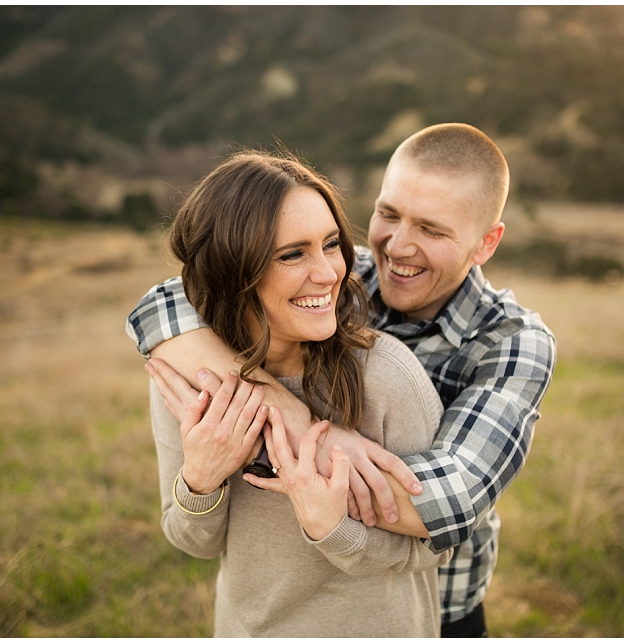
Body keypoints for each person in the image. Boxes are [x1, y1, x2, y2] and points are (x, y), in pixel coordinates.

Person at [130, 124, 557, 637]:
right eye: (388, 215)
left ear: (486, 243)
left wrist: (307, 462)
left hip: (437, 608)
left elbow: (448, 502)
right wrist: (285, 412)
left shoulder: (511, 341)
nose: (397, 247)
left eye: (432, 230)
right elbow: (169, 298)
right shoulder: (345, 272)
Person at [141, 150, 451, 637]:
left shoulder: (387, 377)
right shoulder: (188, 378)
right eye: (292, 254)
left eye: (331, 244)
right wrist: (201, 480)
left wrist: (333, 527)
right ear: (233, 270)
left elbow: (435, 547)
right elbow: (191, 542)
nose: (328, 273)